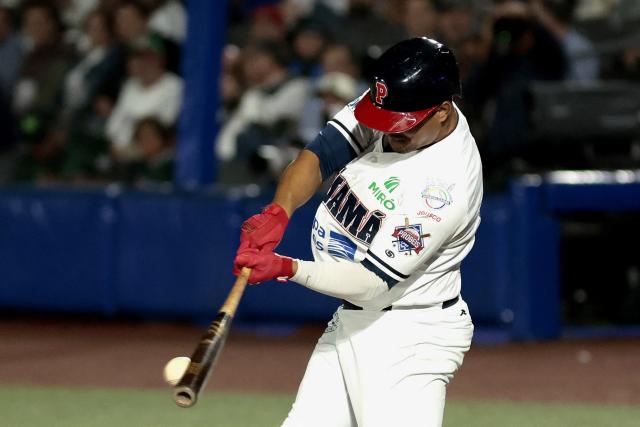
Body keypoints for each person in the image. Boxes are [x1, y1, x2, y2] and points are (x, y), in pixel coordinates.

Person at [234, 37, 482, 427]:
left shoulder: (445, 189)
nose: (390, 134)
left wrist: (286, 267)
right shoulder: (397, 100)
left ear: (444, 112)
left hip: (410, 334)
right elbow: (321, 153)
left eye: (401, 130)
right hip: (355, 319)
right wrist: (279, 212)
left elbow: (370, 281)